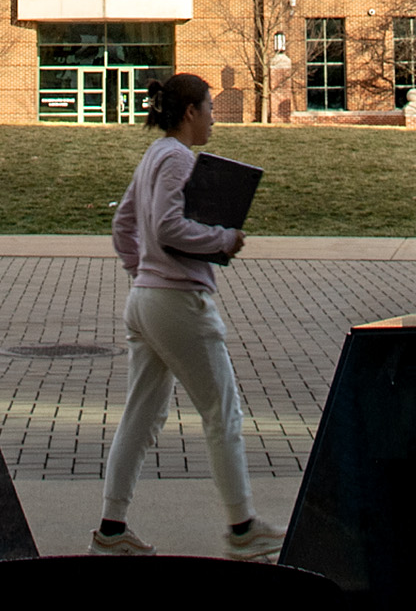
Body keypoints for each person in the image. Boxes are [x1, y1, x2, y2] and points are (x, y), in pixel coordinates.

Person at [93, 72, 287, 561]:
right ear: (190, 113)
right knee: (223, 410)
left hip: (145, 301)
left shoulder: (153, 155)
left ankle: (112, 530)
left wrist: (143, 272)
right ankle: (243, 530)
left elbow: (124, 224)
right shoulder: (179, 158)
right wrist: (223, 240)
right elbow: (167, 226)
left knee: (141, 415)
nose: (214, 117)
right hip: (178, 302)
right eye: (210, 108)